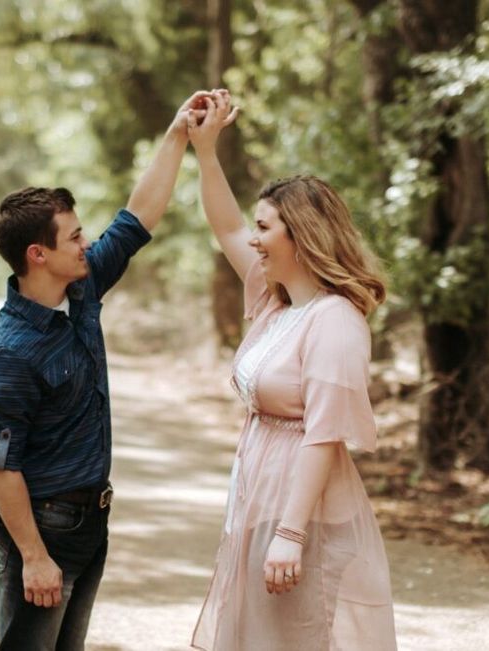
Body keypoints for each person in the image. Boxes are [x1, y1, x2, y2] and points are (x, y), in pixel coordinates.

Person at [0, 91, 212, 650]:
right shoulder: (12, 351)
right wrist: (33, 557)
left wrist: (177, 134)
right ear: (37, 254)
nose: (86, 242)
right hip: (45, 528)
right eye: (74, 236)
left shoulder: (80, 289)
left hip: (90, 519)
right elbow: (1, 467)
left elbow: (137, 219)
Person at [187, 91, 398, 650]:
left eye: (266, 228)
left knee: (297, 638)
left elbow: (325, 433)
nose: (253, 239)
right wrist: (205, 152)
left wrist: (289, 531)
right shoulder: (276, 301)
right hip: (259, 489)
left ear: (300, 235)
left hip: (306, 507)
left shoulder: (335, 321)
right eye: (256, 228)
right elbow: (226, 226)